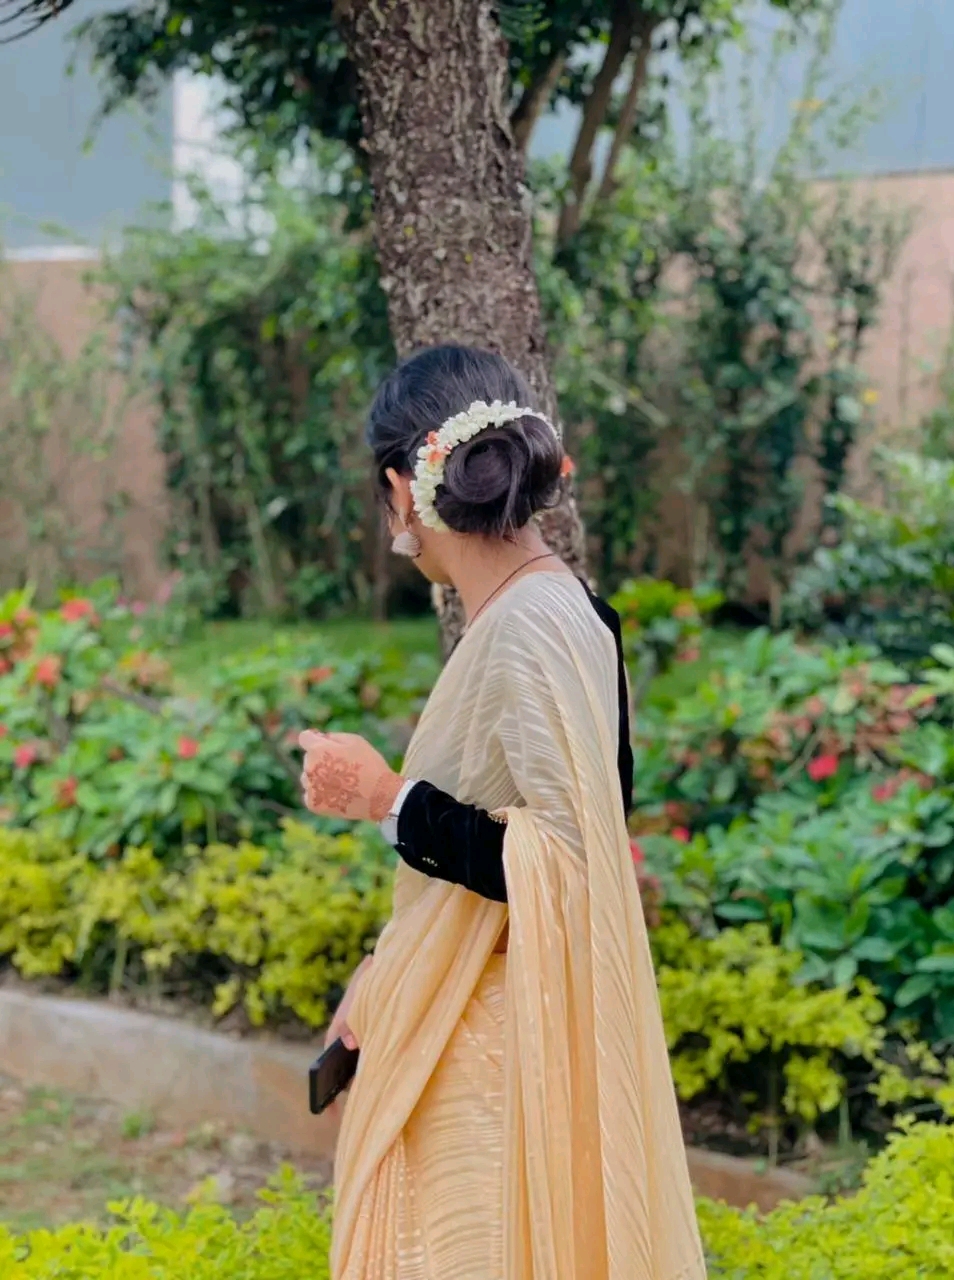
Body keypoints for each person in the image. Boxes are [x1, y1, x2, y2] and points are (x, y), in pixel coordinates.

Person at [299, 345, 706, 1280]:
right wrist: (388, 971)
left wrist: (383, 797)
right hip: (479, 1010)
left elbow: (565, 860)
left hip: (500, 1053)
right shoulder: (557, 611)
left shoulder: (533, 626)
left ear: (400, 491)